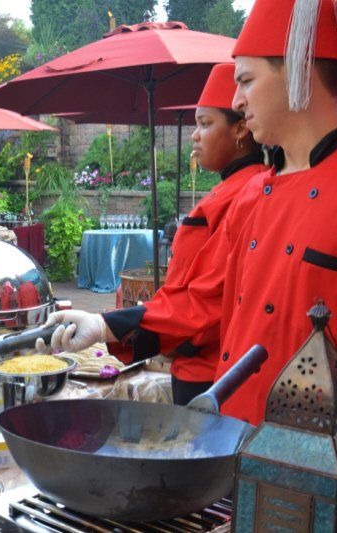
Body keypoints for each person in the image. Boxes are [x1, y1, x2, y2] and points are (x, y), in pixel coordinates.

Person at [39, 0, 337, 520]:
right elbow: (205, 304)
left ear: (300, 70)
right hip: (234, 461)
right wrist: (103, 325)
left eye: (244, 80)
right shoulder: (251, 196)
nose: (236, 101)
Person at [100, 63, 268, 405]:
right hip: (191, 354)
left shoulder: (249, 192)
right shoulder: (234, 188)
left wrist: (123, 326)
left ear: (240, 129)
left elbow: (212, 297)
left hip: (210, 367)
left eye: (205, 124)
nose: (194, 135)